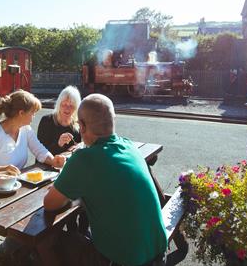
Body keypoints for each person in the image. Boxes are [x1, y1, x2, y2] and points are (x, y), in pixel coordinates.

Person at [43, 94, 167, 266]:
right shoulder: (129, 145)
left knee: (49, 243)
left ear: (83, 127)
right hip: (158, 254)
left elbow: (49, 204)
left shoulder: (83, 159)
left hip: (122, 262)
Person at [0, 90, 66, 186]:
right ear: (21, 113)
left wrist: (53, 161)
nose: (34, 116)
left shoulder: (26, 129)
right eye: (32, 112)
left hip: (11, 185)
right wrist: (1, 169)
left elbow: (39, 150)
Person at [37, 85, 82, 156]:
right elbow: (39, 153)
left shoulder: (77, 124)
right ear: (59, 104)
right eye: (64, 104)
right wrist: (59, 144)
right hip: (46, 166)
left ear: (76, 107)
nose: (67, 109)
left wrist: (78, 147)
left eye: (71, 106)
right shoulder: (46, 121)